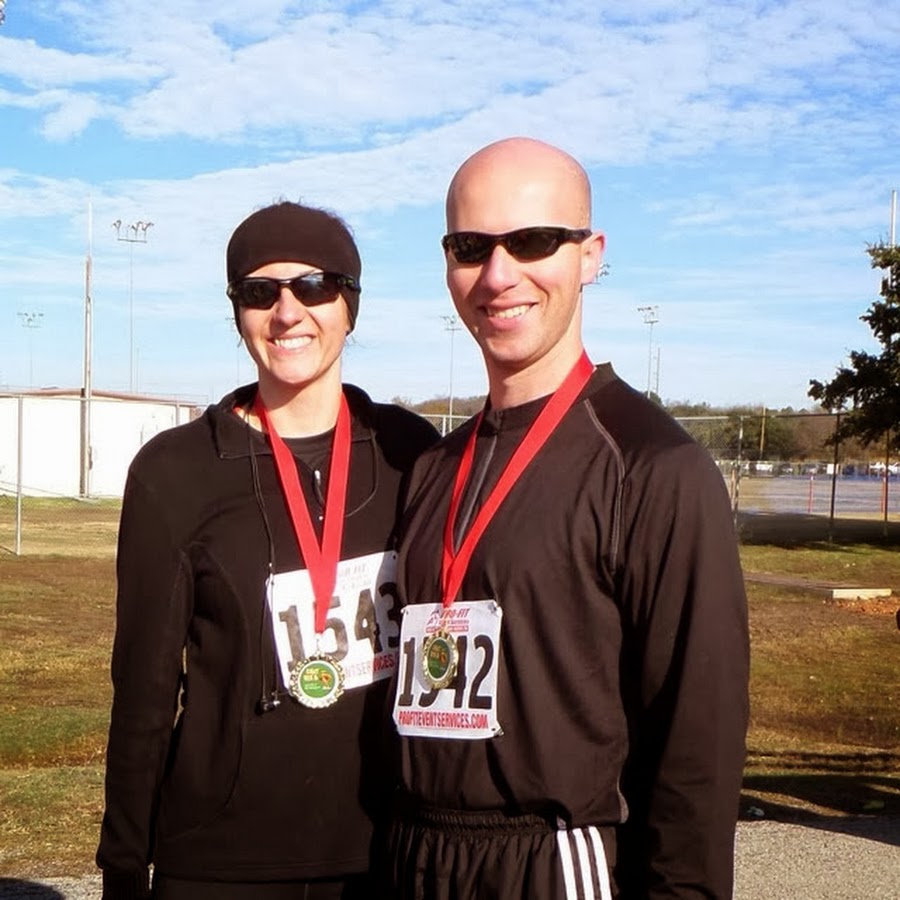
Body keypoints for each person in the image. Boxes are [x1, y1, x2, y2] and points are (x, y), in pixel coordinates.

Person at [385, 138, 750, 899]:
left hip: (554, 862)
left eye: (533, 241)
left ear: (589, 256)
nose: (498, 275)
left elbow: (697, 741)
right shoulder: (432, 466)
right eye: (470, 247)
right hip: (414, 857)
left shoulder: (654, 467)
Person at [96, 201, 438, 899]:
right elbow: (143, 689)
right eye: (259, 291)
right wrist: (125, 864)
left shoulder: (412, 453)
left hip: (389, 850)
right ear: (237, 312)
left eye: (315, 285)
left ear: (350, 305)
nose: (287, 312)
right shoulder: (176, 472)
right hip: (221, 862)